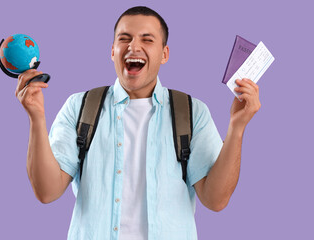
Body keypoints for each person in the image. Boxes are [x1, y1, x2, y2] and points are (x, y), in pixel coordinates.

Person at [15, 6, 261, 240]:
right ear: (112, 50)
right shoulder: (80, 107)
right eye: (124, 39)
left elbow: (215, 200)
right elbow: (47, 192)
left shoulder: (192, 112)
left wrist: (237, 128)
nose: (134, 46)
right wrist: (36, 117)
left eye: (147, 39)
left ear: (164, 54)